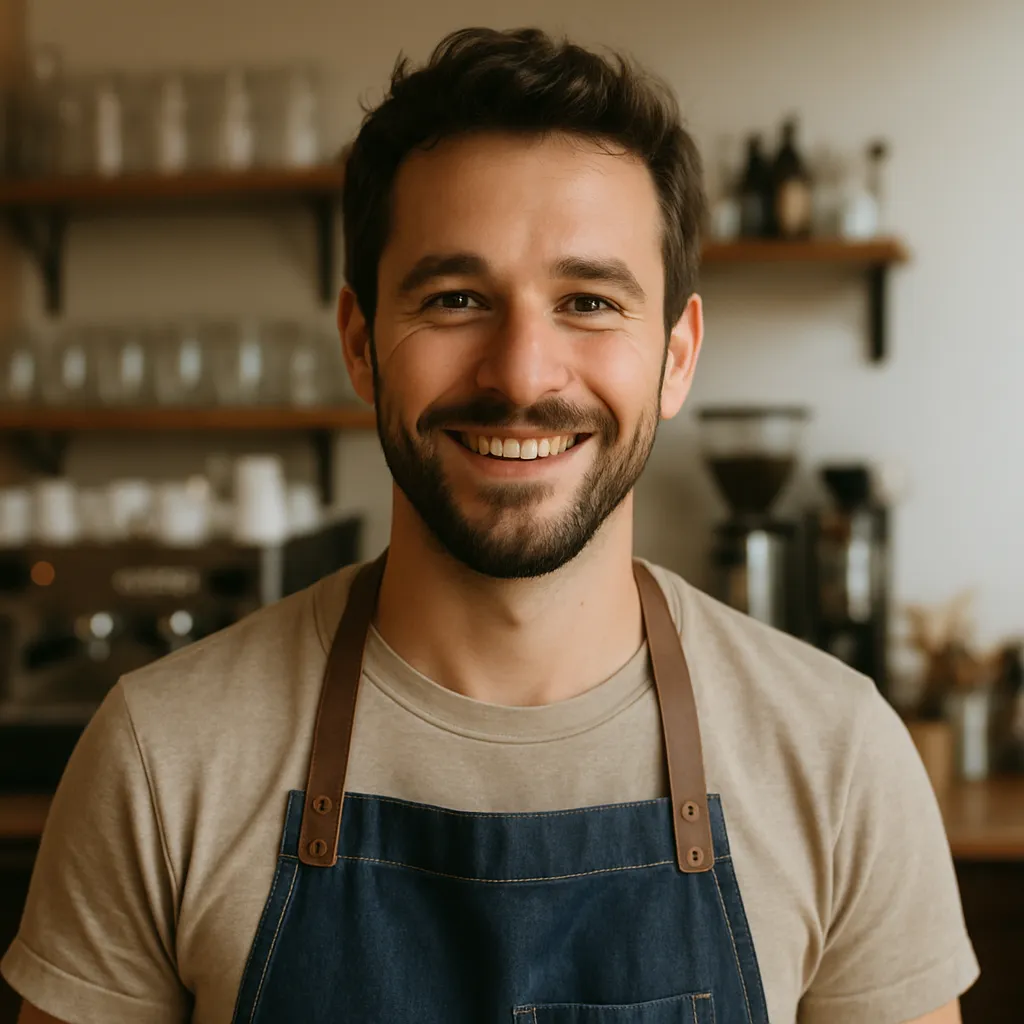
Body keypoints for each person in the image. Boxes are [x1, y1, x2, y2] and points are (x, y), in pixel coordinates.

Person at [4, 26, 976, 1024]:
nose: (520, 374)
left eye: (589, 301)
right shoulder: (162, 758)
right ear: (360, 343)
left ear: (676, 357)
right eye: (456, 297)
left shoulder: (836, 755)